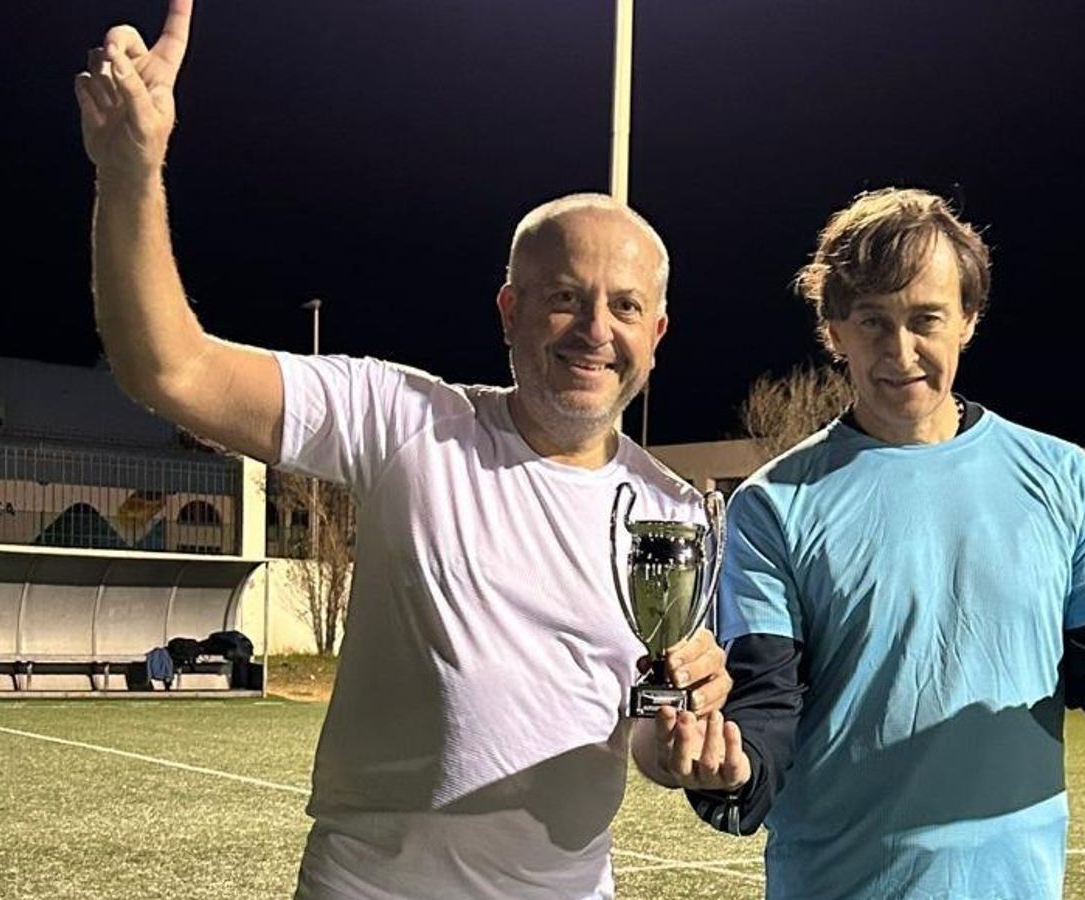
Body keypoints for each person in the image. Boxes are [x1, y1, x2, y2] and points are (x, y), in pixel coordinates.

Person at [73, 3, 731, 897]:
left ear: (656, 332)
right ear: (509, 311)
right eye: (564, 297)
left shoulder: (674, 514)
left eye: (623, 308)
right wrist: (132, 172)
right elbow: (171, 370)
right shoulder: (403, 419)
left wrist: (684, 725)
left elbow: (644, 733)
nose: (593, 331)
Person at [672, 188, 1085, 898]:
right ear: (834, 329)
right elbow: (767, 704)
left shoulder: (1064, 479)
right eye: (872, 321)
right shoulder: (774, 505)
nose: (900, 351)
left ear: (968, 322)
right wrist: (733, 770)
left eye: (926, 319)